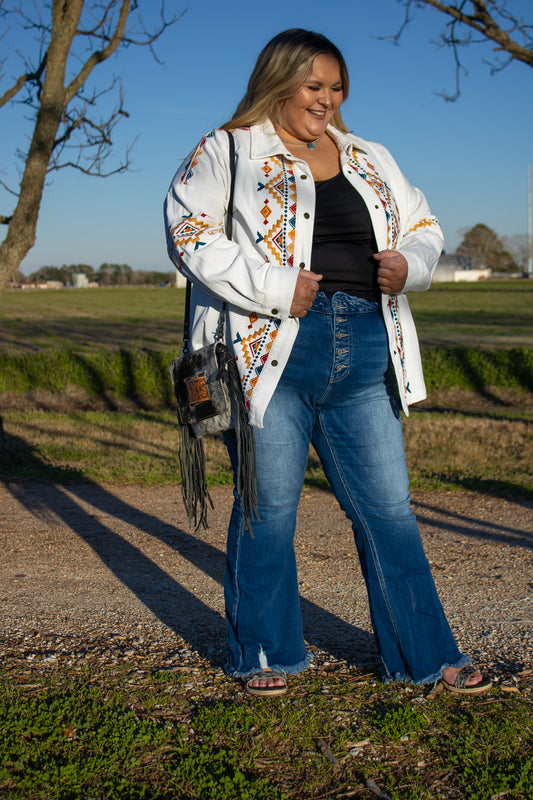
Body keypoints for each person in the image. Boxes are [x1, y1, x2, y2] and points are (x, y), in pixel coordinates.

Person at [164, 29, 491, 697]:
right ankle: (264, 654)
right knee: (268, 510)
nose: (327, 98)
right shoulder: (226, 149)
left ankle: (425, 657)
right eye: (314, 86)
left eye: (336, 87)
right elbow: (188, 233)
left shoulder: (369, 156)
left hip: (367, 347)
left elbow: (423, 226)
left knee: (389, 511)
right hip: (268, 355)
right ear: (279, 80)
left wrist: (412, 265)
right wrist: (278, 287)